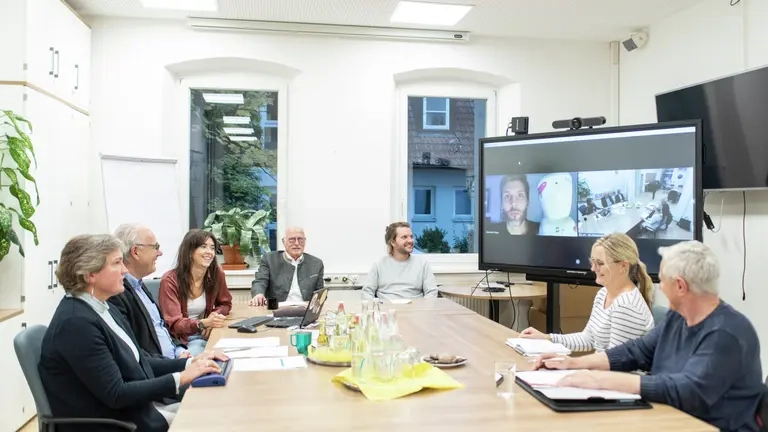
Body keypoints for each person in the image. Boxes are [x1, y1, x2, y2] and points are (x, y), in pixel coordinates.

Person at [534, 240, 765, 432]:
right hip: (670, 418)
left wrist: (600, 379)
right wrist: (573, 363)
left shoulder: (727, 333)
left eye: (662, 280)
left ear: (681, 286)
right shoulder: (678, 318)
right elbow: (636, 351)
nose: (659, 286)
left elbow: (688, 391)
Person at [38, 234, 226, 432]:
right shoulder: (76, 323)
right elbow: (117, 393)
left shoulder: (102, 308)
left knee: (213, 412)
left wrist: (190, 363)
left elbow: (138, 359)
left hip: (138, 413)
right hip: (119, 423)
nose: (125, 270)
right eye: (117, 263)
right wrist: (181, 378)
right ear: (89, 274)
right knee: (211, 420)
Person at [520, 233, 654, 352]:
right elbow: (588, 339)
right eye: (592, 262)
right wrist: (546, 338)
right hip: (603, 374)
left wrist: (572, 365)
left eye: (600, 263)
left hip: (618, 378)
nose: (593, 268)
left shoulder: (626, 306)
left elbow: (615, 364)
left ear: (623, 266)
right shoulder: (603, 294)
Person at [109, 223, 190, 359]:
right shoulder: (117, 294)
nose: (160, 253)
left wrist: (179, 351)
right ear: (135, 251)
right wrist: (179, 365)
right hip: (161, 372)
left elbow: (160, 329)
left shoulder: (140, 286)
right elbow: (135, 354)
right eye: (155, 247)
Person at [159, 229, 232, 356]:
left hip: (205, 334)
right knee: (202, 361)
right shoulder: (170, 280)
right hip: (181, 340)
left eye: (212, 248)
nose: (209, 252)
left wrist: (213, 316)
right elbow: (175, 324)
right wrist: (202, 324)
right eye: (203, 247)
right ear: (189, 251)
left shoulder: (216, 274)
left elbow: (225, 303)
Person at [249, 226, 325, 306]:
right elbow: (260, 281)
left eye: (300, 239)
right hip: (276, 308)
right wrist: (259, 294)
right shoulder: (269, 259)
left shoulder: (316, 263)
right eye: (292, 239)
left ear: (305, 241)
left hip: (305, 310)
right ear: (284, 242)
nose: (296, 243)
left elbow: (320, 293)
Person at [361, 222, 438, 300]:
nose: (410, 240)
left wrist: (422, 308)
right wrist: (377, 307)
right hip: (387, 309)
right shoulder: (379, 265)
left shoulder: (422, 264)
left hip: (415, 310)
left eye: (411, 237)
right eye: (404, 237)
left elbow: (432, 292)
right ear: (393, 242)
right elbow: (366, 293)